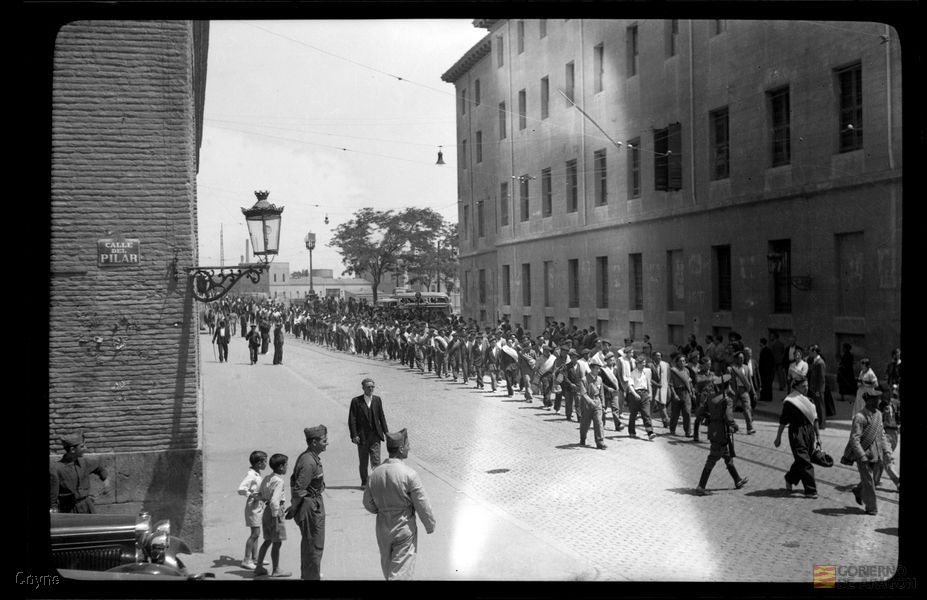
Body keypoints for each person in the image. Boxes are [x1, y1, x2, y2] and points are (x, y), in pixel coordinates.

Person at [362, 429, 436, 580]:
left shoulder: (375, 473)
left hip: (382, 528)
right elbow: (422, 503)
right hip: (404, 528)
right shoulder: (409, 474)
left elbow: (367, 503)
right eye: (407, 445)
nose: (409, 448)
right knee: (400, 573)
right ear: (401, 448)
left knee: (389, 568)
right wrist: (430, 525)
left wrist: (382, 510)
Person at [694, 377, 748, 495]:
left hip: (713, 429)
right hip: (721, 432)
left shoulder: (711, 397)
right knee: (712, 458)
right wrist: (735, 426)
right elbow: (729, 418)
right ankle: (701, 486)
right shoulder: (726, 400)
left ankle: (737, 480)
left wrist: (712, 415)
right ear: (728, 386)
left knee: (727, 456)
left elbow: (699, 412)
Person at [842, 392, 893, 515]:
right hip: (864, 456)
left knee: (873, 480)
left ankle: (858, 491)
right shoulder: (860, 417)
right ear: (868, 401)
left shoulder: (879, 415)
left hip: (877, 455)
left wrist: (887, 451)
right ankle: (872, 508)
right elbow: (854, 439)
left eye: (878, 399)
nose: (878, 402)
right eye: (876, 400)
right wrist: (861, 455)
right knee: (869, 483)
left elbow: (881, 435)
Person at [290, 425, 328, 580]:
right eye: (324, 440)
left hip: (313, 503)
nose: (327, 443)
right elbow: (299, 489)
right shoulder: (308, 462)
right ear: (314, 442)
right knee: (314, 545)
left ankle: (310, 574)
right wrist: (294, 508)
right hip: (310, 507)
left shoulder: (311, 458)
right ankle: (311, 576)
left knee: (312, 544)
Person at [774, 377, 820, 498]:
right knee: (804, 460)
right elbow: (783, 421)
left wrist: (818, 436)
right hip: (796, 432)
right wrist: (778, 437)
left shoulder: (810, 400)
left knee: (804, 458)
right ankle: (811, 490)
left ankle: (790, 478)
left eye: (807, 385)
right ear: (796, 387)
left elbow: (815, 419)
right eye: (803, 386)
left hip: (809, 432)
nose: (806, 388)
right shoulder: (790, 401)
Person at [50, 432, 111, 513]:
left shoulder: (84, 462)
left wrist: (106, 482)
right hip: (68, 510)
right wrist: (54, 510)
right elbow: (53, 496)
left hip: (87, 506)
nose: (85, 448)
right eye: (82, 446)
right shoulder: (56, 469)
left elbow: (99, 468)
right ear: (72, 450)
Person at [254, 453, 292, 578]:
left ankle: (258, 566)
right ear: (281, 467)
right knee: (277, 542)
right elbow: (275, 500)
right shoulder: (279, 481)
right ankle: (276, 569)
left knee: (267, 540)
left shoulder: (267, 478)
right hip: (275, 512)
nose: (287, 467)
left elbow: (261, 494)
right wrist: (276, 515)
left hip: (266, 511)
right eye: (286, 465)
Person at [348, 378, 389, 488]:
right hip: (362, 437)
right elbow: (352, 419)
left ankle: (376, 482)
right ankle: (364, 482)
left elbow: (381, 417)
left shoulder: (377, 400)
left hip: (375, 435)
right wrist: (354, 435)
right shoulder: (356, 401)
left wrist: (386, 432)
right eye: (368, 387)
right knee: (363, 461)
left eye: (372, 387)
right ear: (363, 388)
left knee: (376, 460)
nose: (371, 389)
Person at [238, 450, 267, 570]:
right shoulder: (251, 475)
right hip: (253, 507)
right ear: (259, 463)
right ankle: (246, 560)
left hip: (258, 506)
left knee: (256, 533)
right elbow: (241, 488)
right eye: (265, 461)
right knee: (255, 534)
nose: (266, 463)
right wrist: (252, 495)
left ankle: (255, 558)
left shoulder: (256, 473)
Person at [579, 358, 607, 449]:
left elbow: (601, 392)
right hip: (587, 405)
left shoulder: (599, 379)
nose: (598, 370)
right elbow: (583, 394)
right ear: (591, 368)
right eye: (596, 368)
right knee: (585, 424)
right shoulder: (584, 379)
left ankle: (600, 442)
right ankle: (583, 437)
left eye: (599, 369)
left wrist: (603, 404)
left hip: (597, 403)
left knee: (599, 422)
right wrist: (591, 402)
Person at [727, 352, 757, 435]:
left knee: (747, 408)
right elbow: (728, 381)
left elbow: (750, 381)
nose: (742, 359)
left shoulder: (746, 368)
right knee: (730, 409)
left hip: (744, 390)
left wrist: (753, 392)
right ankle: (730, 426)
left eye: (743, 358)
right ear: (736, 359)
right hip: (734, 391)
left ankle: (750, 428)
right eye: (740, 358)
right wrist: (729, 390)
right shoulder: (731, 368)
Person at [668, 353, 694, 437]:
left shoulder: (687, 371)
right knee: (675, 413)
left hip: (686, 393)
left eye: (683, 361)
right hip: (677, 392)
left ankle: (688, 432)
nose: (682, 362)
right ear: (677, 362)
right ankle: (672, 430)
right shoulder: (673, 370)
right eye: (680, 361)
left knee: (687, 412)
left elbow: (689, 382)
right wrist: (674, 395)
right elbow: (671, 384)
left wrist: (692, 392)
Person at [806, 345, 827, 430]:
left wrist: (819, 390)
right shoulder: (815, 361)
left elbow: (821, 378)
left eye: (810, 351)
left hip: (818, 389)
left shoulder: (820, 362)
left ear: (814, 352)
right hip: (813, 388)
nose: (809, 353)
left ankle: (822, 424)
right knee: (814, 406)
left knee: (820, 406)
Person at [650, 352, 671, 428]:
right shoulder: (650, 365)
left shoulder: (666, 365)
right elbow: (648, 377)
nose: (659, 357)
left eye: (660, 356)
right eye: (657, 356)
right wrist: (655, 384)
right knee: (650, 406)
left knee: (662, 405)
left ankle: (666, 422)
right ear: (653, 357)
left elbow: (668, 376)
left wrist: (667, 386)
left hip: (662, 387)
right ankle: (648, 422)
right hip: (653, 388)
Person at [758, 338, 776, 404]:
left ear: (762, 343)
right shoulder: (763, 350)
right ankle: (764, 397)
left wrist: (769, 370)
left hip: (767, 371)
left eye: (760, 342)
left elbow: (770, 361)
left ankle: (767, 397)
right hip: (764, 371)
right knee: (764, 384)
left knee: (767, 384)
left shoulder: (767, 350)